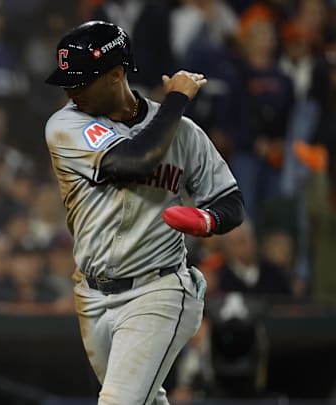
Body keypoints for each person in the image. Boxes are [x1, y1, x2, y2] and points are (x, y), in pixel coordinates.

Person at [43, 21, 245, 404]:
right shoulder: (65, 124)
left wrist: (208, 220)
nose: (71, 90)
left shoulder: (183, 133)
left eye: (82, 81)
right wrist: (176, 100)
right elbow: (133, 162)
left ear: (117, 74)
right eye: (67, 81)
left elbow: (231, 200)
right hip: (92, 292)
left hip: (158, 289)